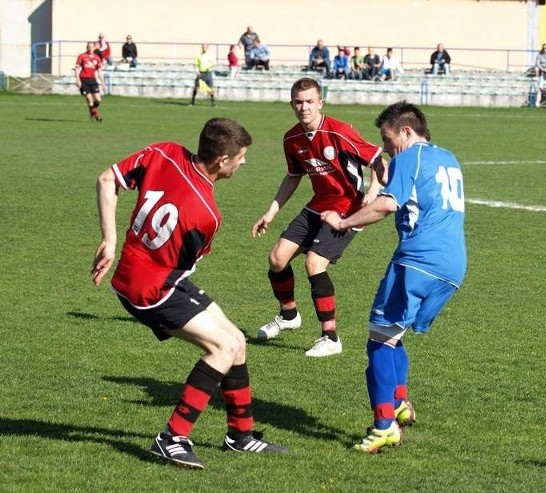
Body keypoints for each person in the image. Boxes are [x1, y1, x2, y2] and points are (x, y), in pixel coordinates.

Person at [91, 117, 288, 470]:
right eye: (240, 156)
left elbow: (107, 180)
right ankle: (171, 438)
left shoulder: (164, 152)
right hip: (151, 289)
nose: (243, 162)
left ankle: (240, 436)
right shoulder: (206, 214)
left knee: (237, 341)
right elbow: (182, 266)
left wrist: (110, 239)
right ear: (221, 161)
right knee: (223, 347)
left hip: (150, 275)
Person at [320, 101, 466, 453]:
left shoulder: (408, 158)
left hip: (418, 261)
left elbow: (388, 205)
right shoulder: (448, 157)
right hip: (453, 266)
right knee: (392, 335)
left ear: (406, 131)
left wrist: (343, 222)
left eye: (387, 139)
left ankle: (384, 425)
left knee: (378, 341)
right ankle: (400, 402)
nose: (385, 148)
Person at [251, 77, 385, 357]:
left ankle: (330, 337)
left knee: (314, 263)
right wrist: (271, 211)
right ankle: (289, 316)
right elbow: (293, 176)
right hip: (317, 205)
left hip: (348, 208)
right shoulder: (291, 138)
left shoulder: (340, 132)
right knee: (277, 259)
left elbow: (376, 160)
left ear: (320, 103)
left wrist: (374, 189)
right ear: (292, 105)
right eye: (299, 102)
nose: (304, 107)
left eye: (310, 101)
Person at [75, 41, 105, 122]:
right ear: (86, 48)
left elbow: (99, 71)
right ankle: (97, 116)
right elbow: (77, 69)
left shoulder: (97, 58)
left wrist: (103, 83)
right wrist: (78, 80)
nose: (90, 48)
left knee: (98, 100)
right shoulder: (82, 56)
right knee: (89, 99)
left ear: (94, 48)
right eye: (89, 47)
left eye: (92, 47)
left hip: (93, 80)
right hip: (83, 80)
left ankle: (92, 111)